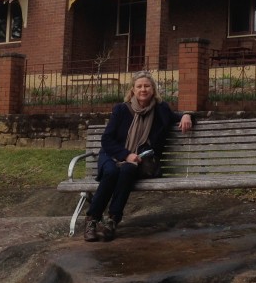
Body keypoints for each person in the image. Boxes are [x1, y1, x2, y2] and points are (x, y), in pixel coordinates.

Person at [83, 71, 194, 242]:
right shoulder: (121, 110)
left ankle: (112, 221)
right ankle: (92, 220)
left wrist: (187, 115)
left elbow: (177, 117)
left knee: (127, 170)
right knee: (112, 172)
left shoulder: (161, 110)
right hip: (112, 155)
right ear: (133, 90)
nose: (143, 89)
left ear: (153, 89)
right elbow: (107, 139)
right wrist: (126, 154)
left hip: (140, 160)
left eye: (147, 86)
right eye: (139, 86)